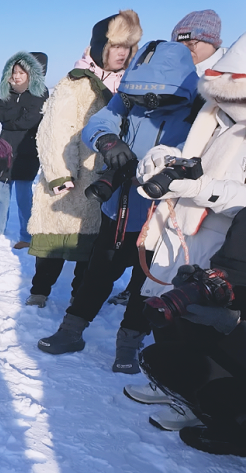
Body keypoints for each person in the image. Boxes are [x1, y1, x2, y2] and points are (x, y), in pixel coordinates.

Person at [36, 41, 199, 376]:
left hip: (164, 219)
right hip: (119, 208)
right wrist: (109, 143)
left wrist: (168, 166)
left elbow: (201, 154)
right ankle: (71, 330)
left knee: (145, 284)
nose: (145, 105)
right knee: (98, 274)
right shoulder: (127, 98)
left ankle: (129, 342)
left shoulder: (197, 108)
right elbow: (97, 123)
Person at [127, 32, 246, 449]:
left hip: (219, 239)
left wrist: (200, 187)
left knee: (197, 320)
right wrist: (160, 159)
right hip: (180, 225)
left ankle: (200, 401)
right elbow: (188, 158)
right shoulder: (212, 112)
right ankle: (173, 386)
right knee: (165, 309)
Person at [26, 10, 142, 308]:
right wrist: (60, 174)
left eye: (128, 47)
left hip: (106, 182)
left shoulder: (129, 86)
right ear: (100, 46)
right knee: (56, 240)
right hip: (74, 178)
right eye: (116, 46)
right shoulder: (75, 85)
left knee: (91, 246)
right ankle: (39, 292)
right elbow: (54, 133)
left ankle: (80, 296)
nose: (122, 53)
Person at [0, 51, 48, 249]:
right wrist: (15, 114)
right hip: (5, 149)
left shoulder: (40, 94)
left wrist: (10, 119)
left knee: (23, 198)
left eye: (21, 72)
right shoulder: (9, 93)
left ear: (31, 74)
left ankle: (26, 236)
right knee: (1, 193)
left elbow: (29, 120)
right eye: (14, 72)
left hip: (26, 152)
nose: (16, 76)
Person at [172, 9, 226, 75]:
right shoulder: (169, 70)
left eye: (190, 44)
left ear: (212, 42)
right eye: (179, 45)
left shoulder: (234, 70)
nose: (184, 50)